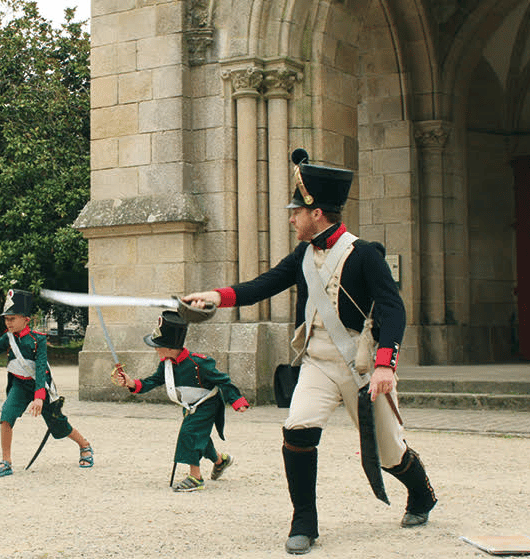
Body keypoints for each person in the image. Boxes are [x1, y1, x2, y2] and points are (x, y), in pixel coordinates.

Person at [183, 149, 436, 554]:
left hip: (362, 366)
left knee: (390, 452)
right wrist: (215, 296)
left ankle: (422, 495)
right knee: (297, 429)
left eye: (296, 211)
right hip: (317, 363)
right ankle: (304, 521)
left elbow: (393, 308)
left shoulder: (364, 254)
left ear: (316, 212)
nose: (291, 218)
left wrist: (387, 364)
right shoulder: (303, 255)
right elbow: (263, 284)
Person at [0, 289, 92, 477]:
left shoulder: (38, 340)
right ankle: (6, 462)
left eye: (12, 318)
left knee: (58, 425)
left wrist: (39, 398)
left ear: (26, 319)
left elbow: (41, 369)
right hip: (19, 385)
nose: (8, 322)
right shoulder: (8, 338)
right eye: (6, 319)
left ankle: (84, 445)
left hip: (40, 387)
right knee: (6, 416)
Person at [113, 310, 249, 492]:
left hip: (207, 403)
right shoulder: (166, 363)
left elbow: (222, 380)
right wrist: (131, 383)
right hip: (190, 405)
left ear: (170, 348)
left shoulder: (199, 363)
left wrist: (237, 400)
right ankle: (220, 460)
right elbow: (153, 381)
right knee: (199, 436)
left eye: (157, 345)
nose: (155, 349)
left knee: (189, 432)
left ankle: (195, 478)